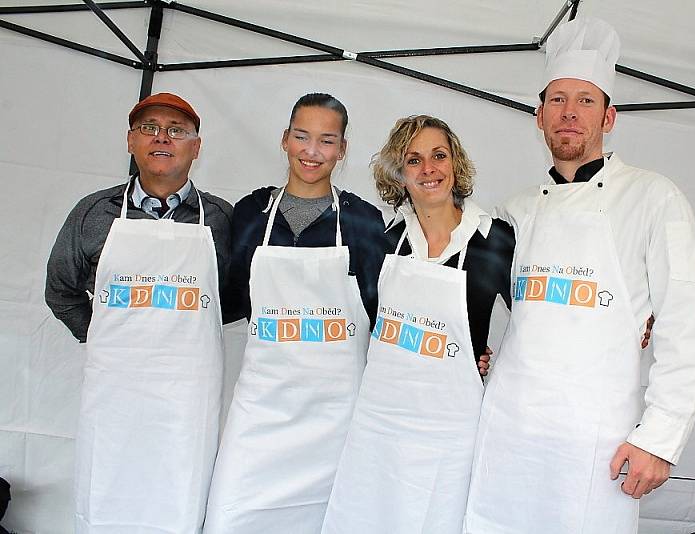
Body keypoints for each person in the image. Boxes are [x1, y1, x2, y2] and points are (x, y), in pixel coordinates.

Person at [463, 18, 695, 533]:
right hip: (508, 427)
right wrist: (472, 353)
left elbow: (683, 329)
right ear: (538, 116)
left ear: (609, 116)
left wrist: (658, 440)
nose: (569, 113)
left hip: (595, 440)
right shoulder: (515, 211)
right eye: (556, 100)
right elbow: (473, 300)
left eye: (585, 100)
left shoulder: (654, 198)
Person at [44, 93, 232, 532]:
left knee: (179, 493)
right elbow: (60, 290)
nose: (161, 138)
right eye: (149, 128)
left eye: (176, 130)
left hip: (187, 392)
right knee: (108, 486)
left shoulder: (220, 218)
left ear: (196, 147)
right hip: (116, 389)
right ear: (131, 141)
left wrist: (183, 329)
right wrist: (107, 337)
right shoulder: (93, 212)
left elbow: (236, 297)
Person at [321, 115, 514, 534]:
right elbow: (361, 327)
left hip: (453, 431)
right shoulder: (383, 243)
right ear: (400, 173)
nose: (429, 169)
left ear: (455, 164)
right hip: (381, 425)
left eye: (438, 156)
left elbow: (536, 324)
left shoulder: (496, 240)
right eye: (414, 160)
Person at [204, 93, 387, 533]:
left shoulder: (363, 221)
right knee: (230, 516)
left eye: (327, 141)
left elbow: (381, 313)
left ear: (342, 149)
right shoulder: (251, 212)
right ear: (285, 140)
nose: (312, 151)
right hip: (262, 409)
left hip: (335, 416)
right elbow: (228, 296)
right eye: (302, 137)